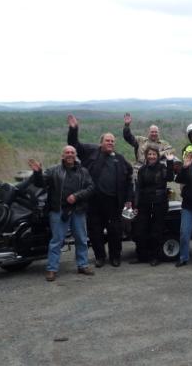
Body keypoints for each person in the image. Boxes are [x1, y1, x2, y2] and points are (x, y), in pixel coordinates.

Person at [67, 114, 133, 268]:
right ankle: (100, 257)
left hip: (114, 202)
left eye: (112, 141)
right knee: (95, 231)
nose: (110, 143)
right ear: (101, 142)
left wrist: (129, 199)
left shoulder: (120, 159)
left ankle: (115, 257)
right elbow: (74, 144)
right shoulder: (91, 152)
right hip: (94, 201)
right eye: (107, 140)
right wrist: (73, 129)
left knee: (115, 231)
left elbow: (129, 179)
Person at [29, 147, 95, 282]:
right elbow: (40, 183)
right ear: (62, 155)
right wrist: (37, 173)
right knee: (56, 241)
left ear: (76, 155)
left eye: (72, 152)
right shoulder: (53, 171)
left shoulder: (83, 171)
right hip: (58, 211)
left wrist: (76, 196)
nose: (70, 154)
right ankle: (52, 269)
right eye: (67, 153)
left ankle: (83, 265)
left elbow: (91, 188)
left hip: (78, 210)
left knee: (81, 239)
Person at [131, 146, 175, 266]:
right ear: (146, 156)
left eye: (154, 154)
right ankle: (141, 256)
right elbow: (138, 188)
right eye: (149, 154)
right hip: (144, 203)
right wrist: (136, 204)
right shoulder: (142, 169)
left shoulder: (162, 168)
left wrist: (170, 162)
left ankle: (155, 257)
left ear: (157, 156)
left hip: (159, 203)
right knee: (140, 230)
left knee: (156, 231)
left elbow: (170, 178)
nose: (151, 156)